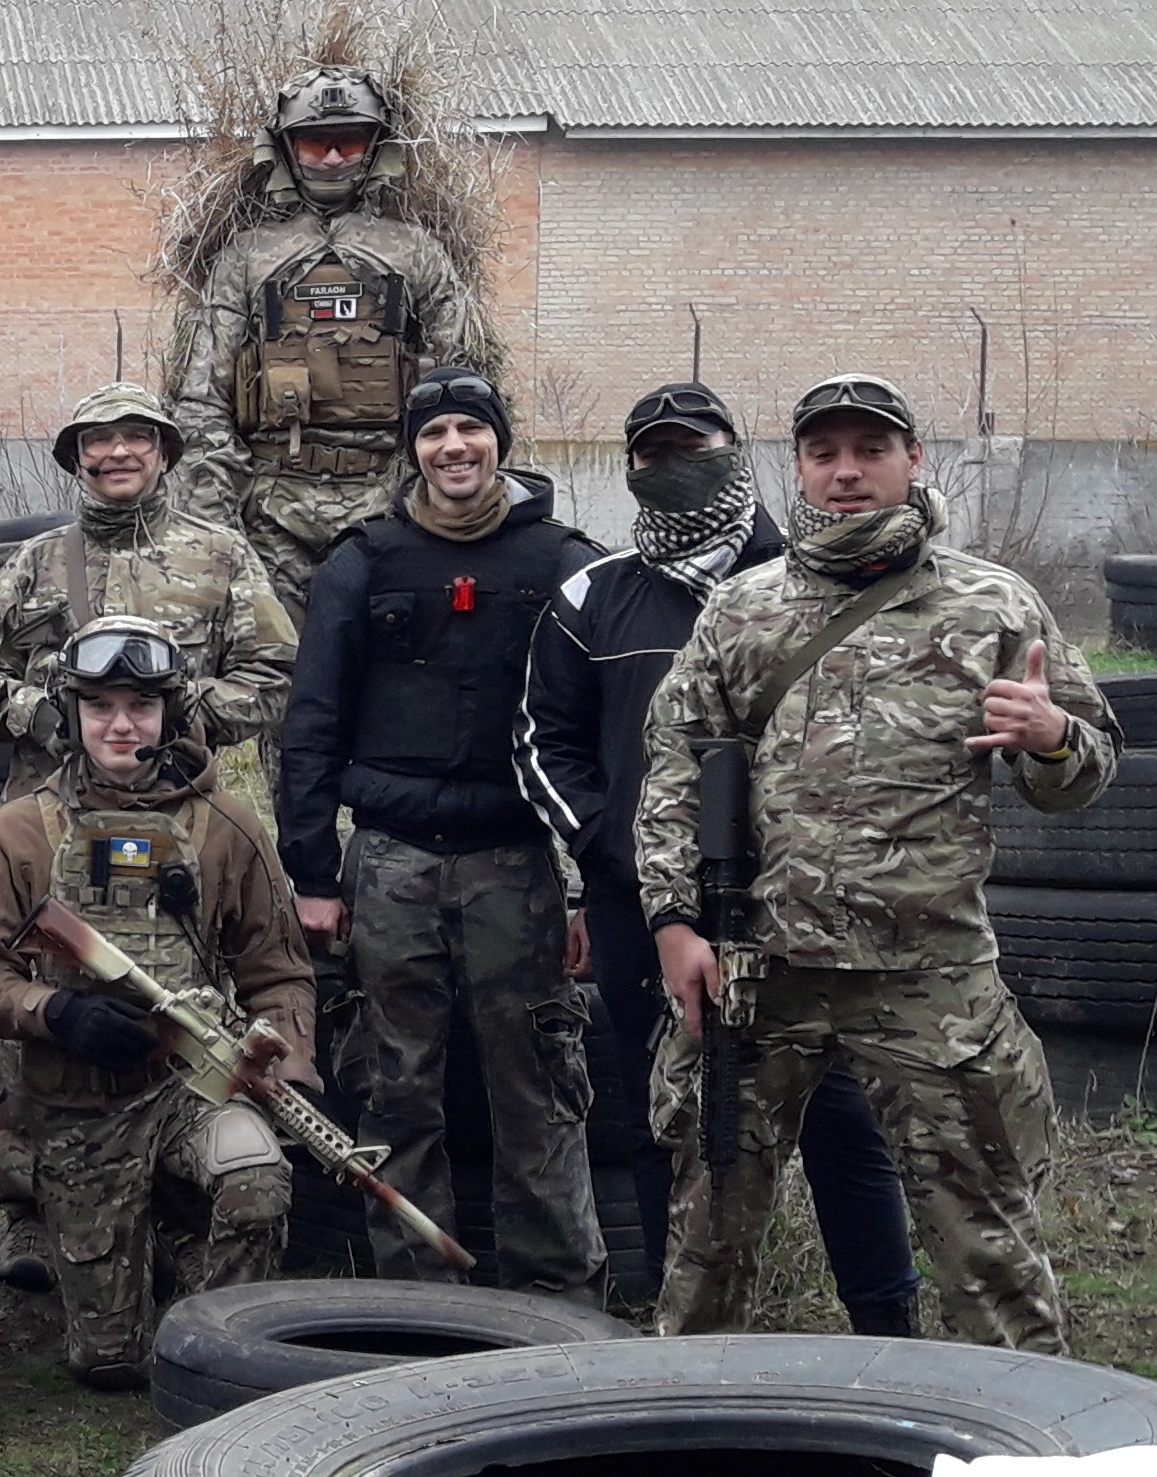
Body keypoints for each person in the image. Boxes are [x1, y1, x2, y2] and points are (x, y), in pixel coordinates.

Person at [640, 373, 1120, 1353]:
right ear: (798, 468)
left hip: (925, 976)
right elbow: (673, 766)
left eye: (869, 450)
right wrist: (673, 921)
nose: (846, 472)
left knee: (987, 1250)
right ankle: (688, 1413)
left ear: (912, 460)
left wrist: (1051, 737)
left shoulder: (992, 605)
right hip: (755, 973)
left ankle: (1023, 1421)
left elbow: (1084, 775)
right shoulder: (741, 609)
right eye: (823, 453)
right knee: (704, 1243)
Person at [511, 382, 919, 1330]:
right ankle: (679, 1325)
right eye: (653, 453)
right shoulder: (592, 594)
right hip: (641, 912)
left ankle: (887, 1327)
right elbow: (542, 742)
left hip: (798, 905)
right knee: (666, 1113)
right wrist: (608, 853)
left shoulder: (809, 575)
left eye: (692, 448)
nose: (673, 466)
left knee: (841, 1120)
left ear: (735, 452)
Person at [278, 367, 604, 1297]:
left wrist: (593, 885)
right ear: (412, 450)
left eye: (470, 428)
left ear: (499, 441)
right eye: (432, 433)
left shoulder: (562, 563)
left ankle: (557, 1295)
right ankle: (417, 1292)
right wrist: (312, 873)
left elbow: (597, 736)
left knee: (537, 1084)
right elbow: (311, 722)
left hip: (514, 861)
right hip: (389, 862)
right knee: (394, 1087)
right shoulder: (361, 561)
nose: (452, 447)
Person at [0, 617, 316, 1388]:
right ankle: (143, 1227)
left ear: (170, 712)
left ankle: (215, 1349)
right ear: (71, 713)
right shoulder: (17, 831)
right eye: (100, 706)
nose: (121, 725)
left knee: (254, 1183)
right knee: (107, 1361)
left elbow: (277, 970)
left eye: (141, 705)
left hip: (189, 1088)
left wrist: (278, 1053)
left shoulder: (227, 827)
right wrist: (56, 1013)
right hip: (75, 1105)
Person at [169, 67, 480, 630]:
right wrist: (218, 526)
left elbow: (462, 394)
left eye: (349, 143)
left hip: (389, 512)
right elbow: (200, 401)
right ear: (288, 152)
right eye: (316, 144)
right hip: (270, 518)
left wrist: (432, 510)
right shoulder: (247, 256)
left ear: (375, 148)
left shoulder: (415, 252)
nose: (333, 159)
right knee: (273, 670)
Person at [0, 382, 294, 795]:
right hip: (49, 803)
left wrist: (181, 713)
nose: (119, 452)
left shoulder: (223, 556)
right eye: (99, 440)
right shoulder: (35, 559)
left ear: (163, 455)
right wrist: (41, 716)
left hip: (177, 800)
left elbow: (273, 674)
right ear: (77, 461)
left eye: (138, 436)